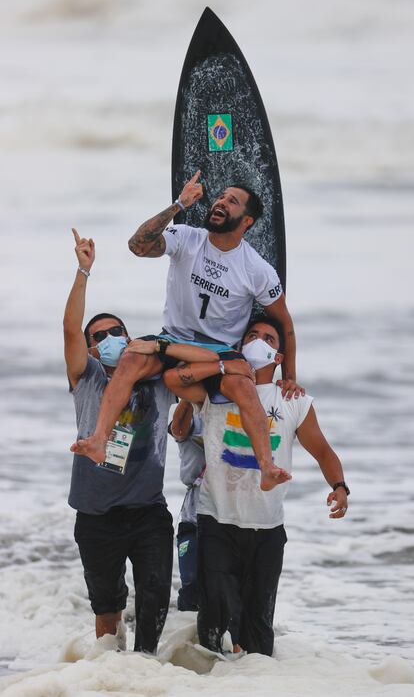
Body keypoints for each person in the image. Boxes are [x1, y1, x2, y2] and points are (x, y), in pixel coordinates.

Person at [71, 173, 301, 491]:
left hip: (217, 351)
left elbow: (285, 324)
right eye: (220, 196)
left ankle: (267, 467)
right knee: (131, 359)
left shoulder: (257, 270)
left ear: (246, 221)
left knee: (244, 388)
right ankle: (99, 439)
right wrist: (178, 204)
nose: (220, 201)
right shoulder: (186, 237)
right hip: (173, 337)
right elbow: (137, 246)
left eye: (231, 201)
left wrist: (288, 375)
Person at [64, 229, 216, 653]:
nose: (108, 339)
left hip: (147, 510)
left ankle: (144, 668)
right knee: (107, 606)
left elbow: (211, 359)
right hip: (95, 514)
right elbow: (70, 330)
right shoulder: (87, 378)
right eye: (100, 337)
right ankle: (110, 673)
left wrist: (162, 345)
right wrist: (83, 271)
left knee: (154, 595)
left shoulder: (159, 380)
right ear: (93, 350)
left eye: (117, 331)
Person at [163, 314, 350, 657]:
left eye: (268, 338)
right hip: (216, 518)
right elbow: (172, 378)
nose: (258, 341)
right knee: (216, 620)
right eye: (251, 335)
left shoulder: (293, 401)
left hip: (267, 527)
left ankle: (259, 685)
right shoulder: (217, 388)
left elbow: (322, 450)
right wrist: (223, 364)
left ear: (278, 357)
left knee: (259, 629)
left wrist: (339, 486)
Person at [168, 400, 205, 612]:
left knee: (226, 592)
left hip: (228, 518)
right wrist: (189, 397)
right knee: (190, 587)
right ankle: (186, 644)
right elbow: (179, 431)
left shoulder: (235, 411)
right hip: (193, 517)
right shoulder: (181, 410)